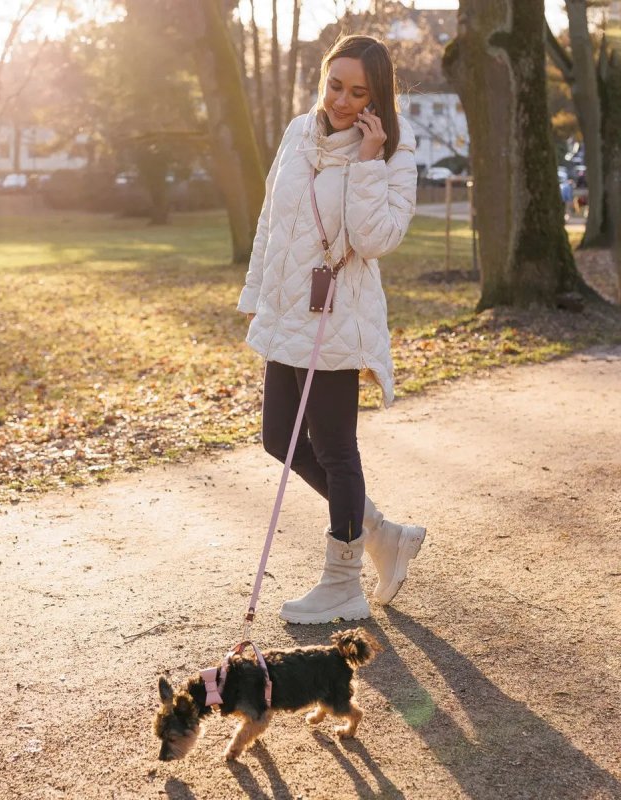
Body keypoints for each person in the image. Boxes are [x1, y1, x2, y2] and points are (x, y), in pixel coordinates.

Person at [237, 34, 426, 625]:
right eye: (334, 85)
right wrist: (256, 299)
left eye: (358, 91)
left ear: (379, 96)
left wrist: (367, 165)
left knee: (334, 449)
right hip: (288, 310)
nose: (342, 101)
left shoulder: (394, 158)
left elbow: (374, 241)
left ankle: (343, 581)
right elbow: (271, 220)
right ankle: (380, 533)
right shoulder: (298, 132)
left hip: (338, 320)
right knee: (278, 439)